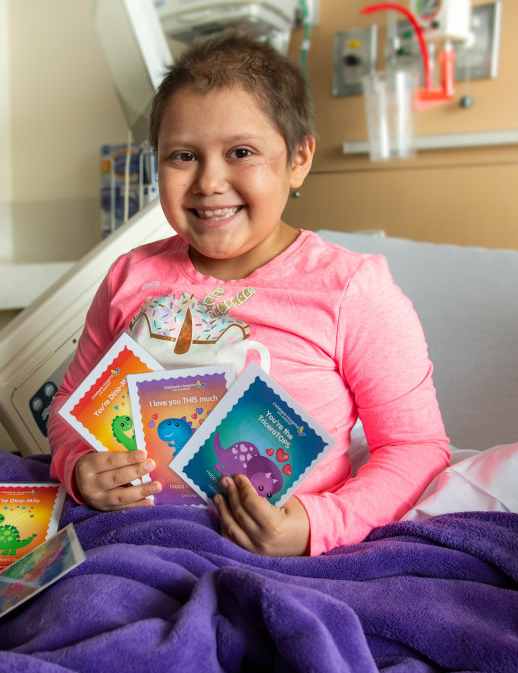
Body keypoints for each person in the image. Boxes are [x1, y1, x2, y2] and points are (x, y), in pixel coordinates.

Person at [47, 32, 450, 556]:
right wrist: (78, 466)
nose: (209, 181)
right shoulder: (130, 277)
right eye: (182, 156)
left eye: (241, 152)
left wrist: (313, 523)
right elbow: (68, 406)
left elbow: (416, 448)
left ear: (299, 159)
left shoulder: (351, 291)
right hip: (135, 538)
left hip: (279, 553)